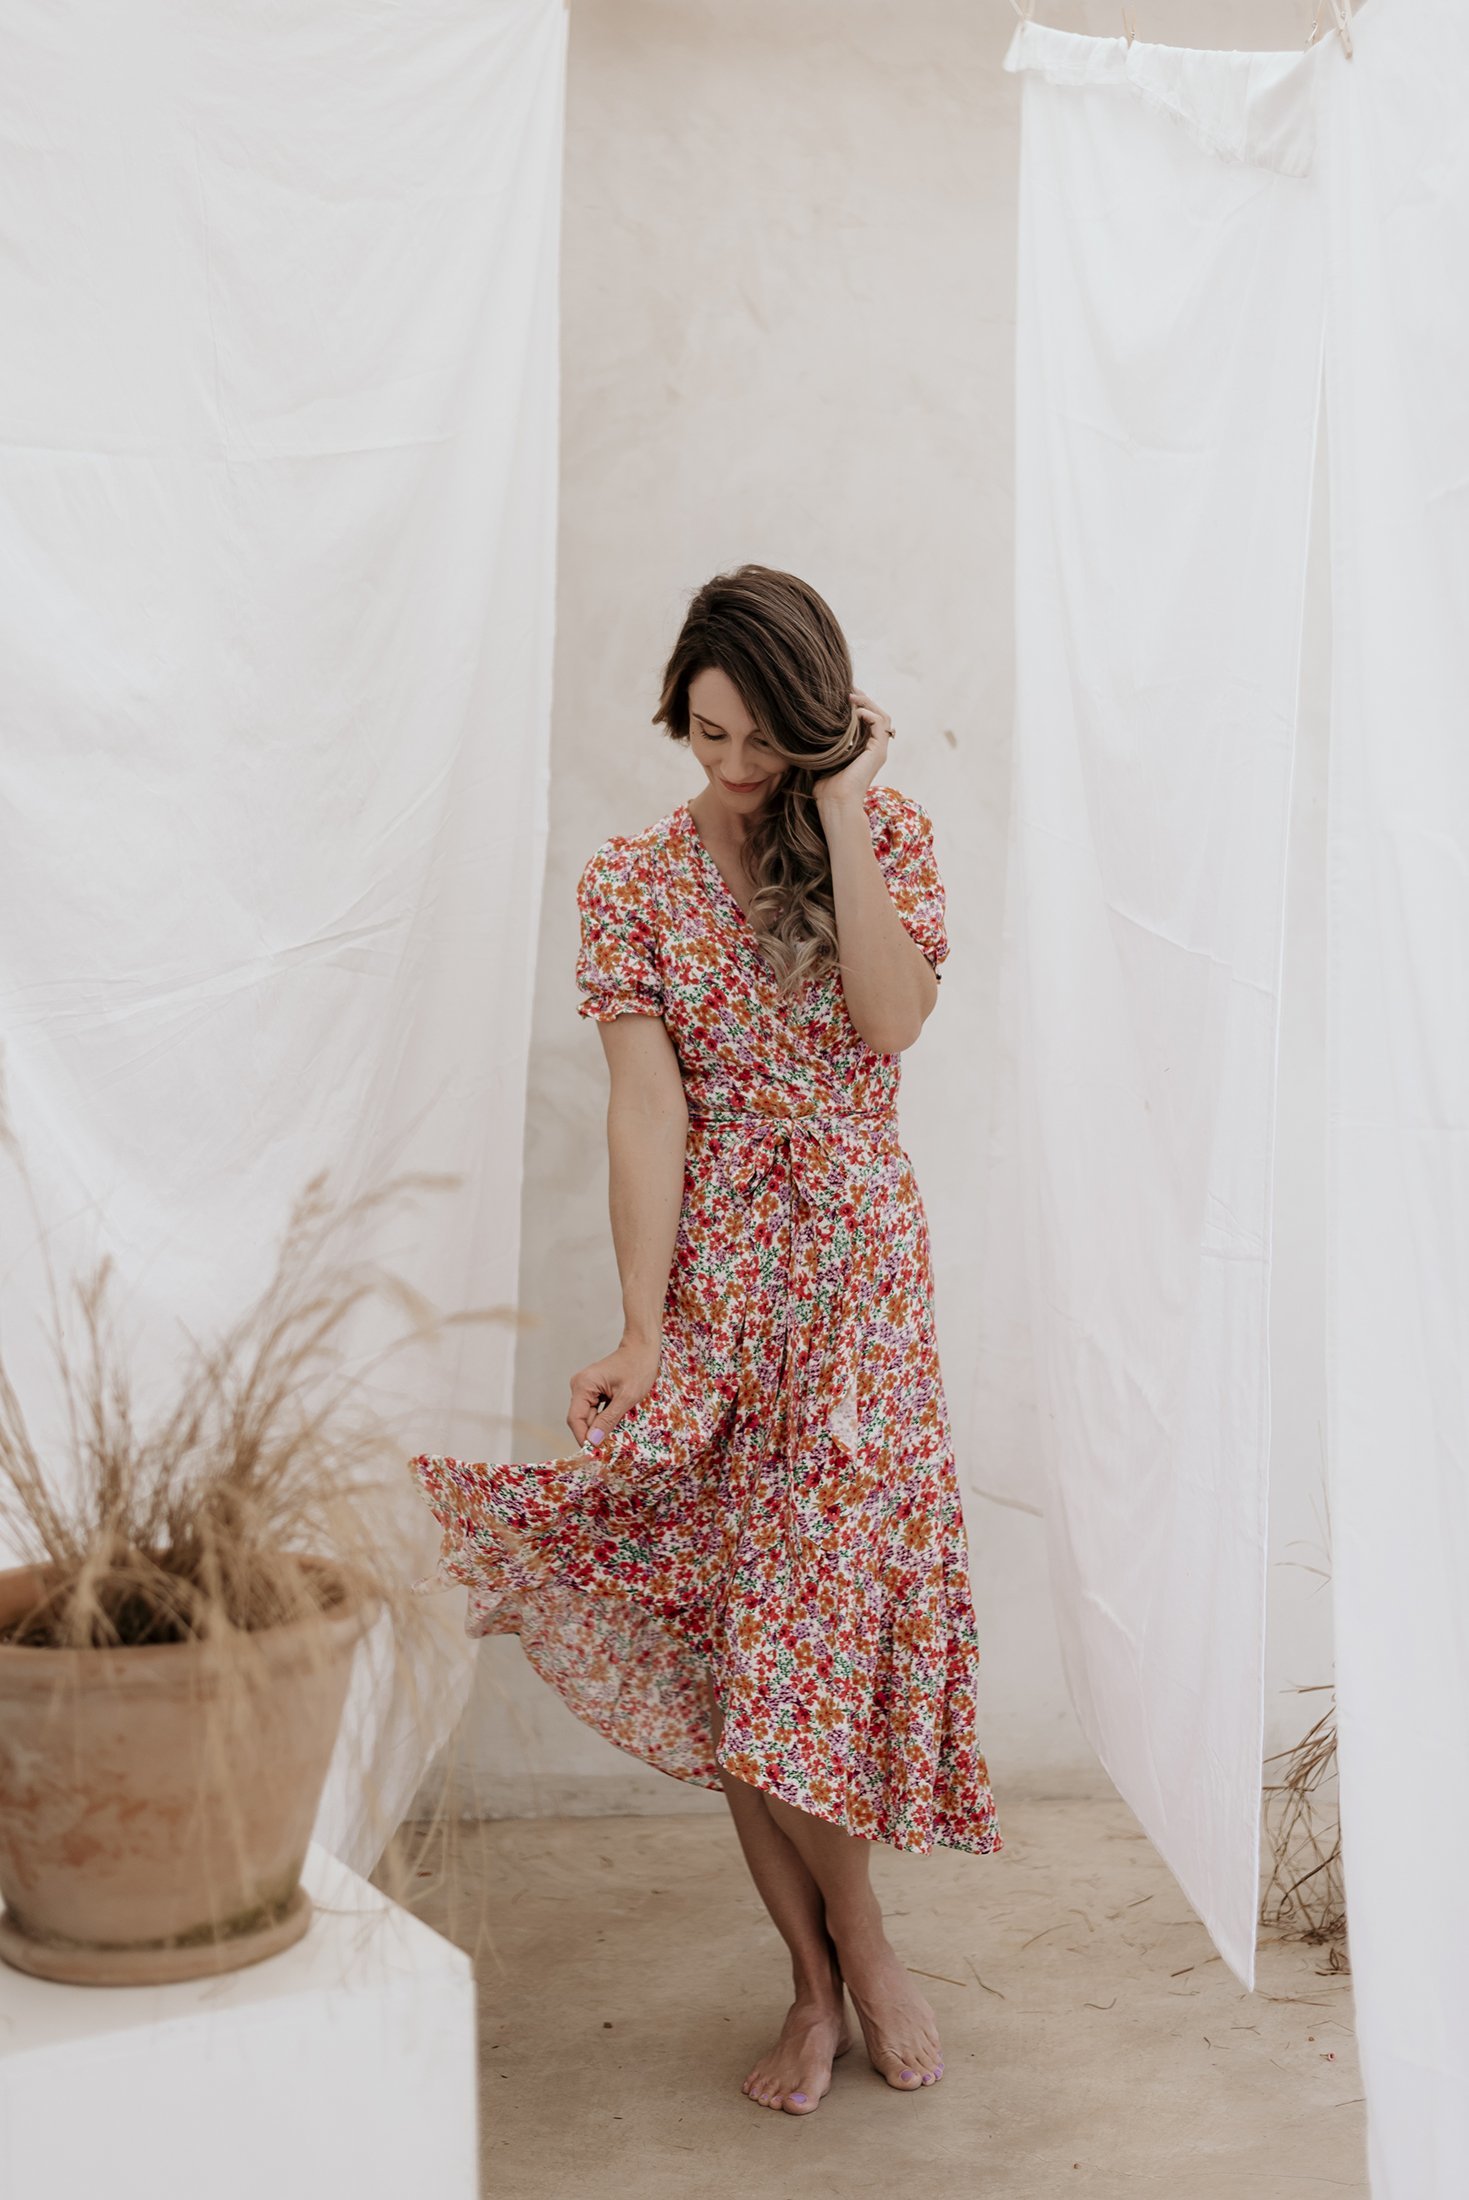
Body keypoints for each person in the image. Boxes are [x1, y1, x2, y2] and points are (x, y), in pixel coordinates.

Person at [410, 563, 1000, 2117]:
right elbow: (645, 1111)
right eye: (705, 733)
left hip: (858, 1289)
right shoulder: (629, 881)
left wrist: (845, 810)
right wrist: (638, 1329)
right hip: (718, 1286)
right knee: (740, 1633)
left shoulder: (885, 836)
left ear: (820, 725)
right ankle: (827, 1972)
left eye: (761, 738)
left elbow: (889, 1024)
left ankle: (849, 1955)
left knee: (816, 1623)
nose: (733, 767)